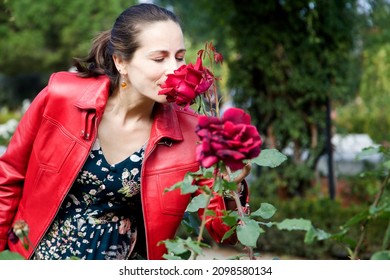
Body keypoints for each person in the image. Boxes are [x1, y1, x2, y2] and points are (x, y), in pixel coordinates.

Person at [0, 3, 249, 260]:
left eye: (179, 56)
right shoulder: (60, 96)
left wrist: (234, 179)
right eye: (159, 58)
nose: (175, 70)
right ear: (121, 62)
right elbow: (8, 178)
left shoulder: (193, 133)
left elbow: (227, 233)